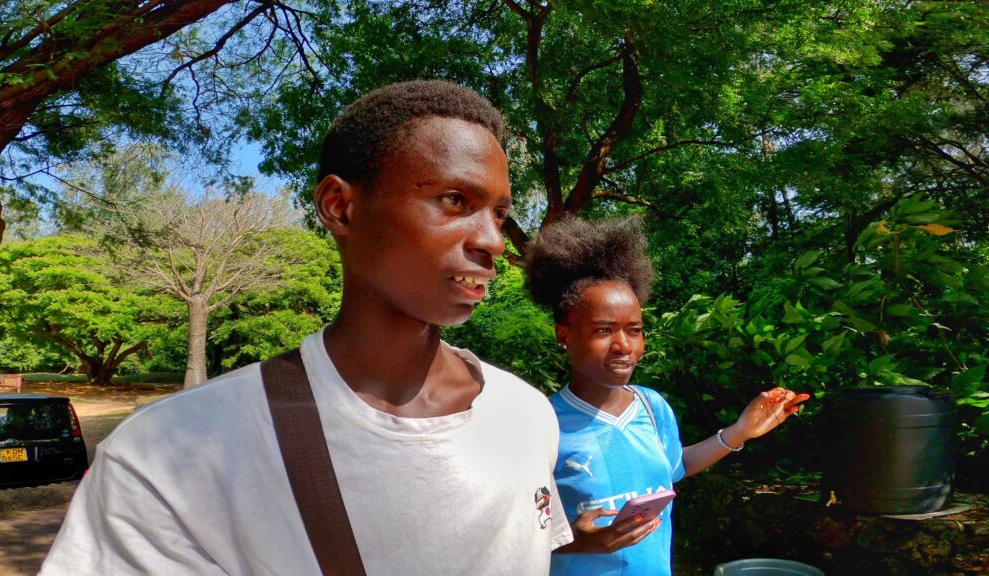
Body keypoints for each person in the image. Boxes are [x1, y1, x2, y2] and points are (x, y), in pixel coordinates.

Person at [40, 80, 572, 575]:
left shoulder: (526, 415)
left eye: (499, 214)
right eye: (455, 201)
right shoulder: (172, 453)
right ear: (340, 207)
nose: (494, 241)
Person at [522, 215, 809, 576]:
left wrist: (740, 431)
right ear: (564, 334)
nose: (623, 346)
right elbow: (513, 532)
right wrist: (580, 543)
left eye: (635, 330)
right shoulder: (544, 423)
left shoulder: (651, 406)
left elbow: (676, 468)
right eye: (604, 330)